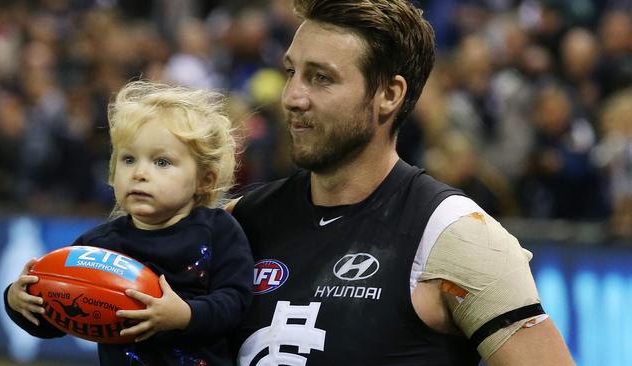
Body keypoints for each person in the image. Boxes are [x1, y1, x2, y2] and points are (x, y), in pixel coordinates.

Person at [226, 0, 575, 365]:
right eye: (290, 72)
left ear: (389, 95)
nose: (292, 97)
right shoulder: (241, 221)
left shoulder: (454, 235)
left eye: (321, 77)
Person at [4, 80, 253, 366]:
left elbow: (237, 302)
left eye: (161, 162)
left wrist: (185, 315)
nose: (140, 173)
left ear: (204, 180)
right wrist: (18, 301)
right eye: (129, 159)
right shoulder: (95, 248)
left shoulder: (219, 230)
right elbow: (57, 322)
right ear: (112, 173)